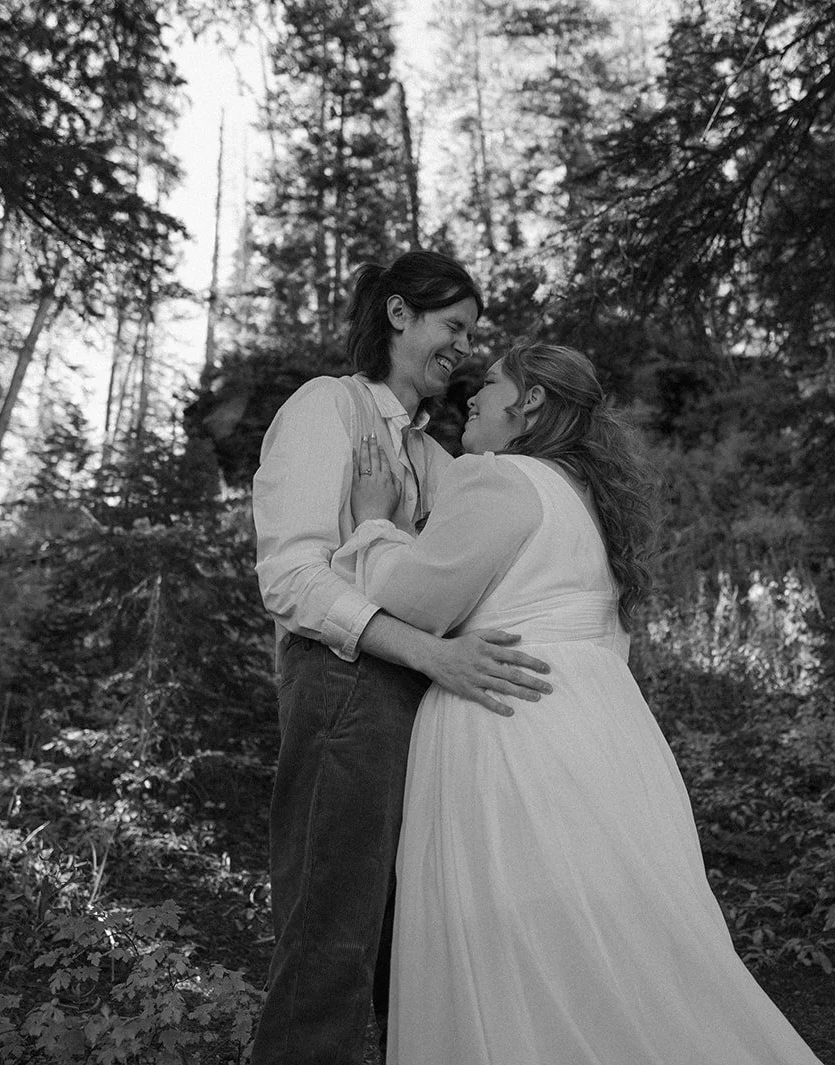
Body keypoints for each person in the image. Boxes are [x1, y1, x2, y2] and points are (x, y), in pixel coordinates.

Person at [333, 342, 827, 1064]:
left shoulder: (499, 479)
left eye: (492, 383)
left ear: (529, 402)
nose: (473, 394)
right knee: (604, 935)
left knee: (505, 937)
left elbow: (413, 600)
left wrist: (375, 522)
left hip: (507, 722)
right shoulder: (585, 499)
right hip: (600, 730)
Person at [248, 250, 554, 1065]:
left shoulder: (430, 456)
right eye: (452, 326)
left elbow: (502, 529)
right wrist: (430, 651)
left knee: (408, 939)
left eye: (471, 333)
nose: (463, 348)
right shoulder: (327, 408)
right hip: (339, 690)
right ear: (397, 315)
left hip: (418, 701)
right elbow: (289, 578)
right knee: (329, 939)